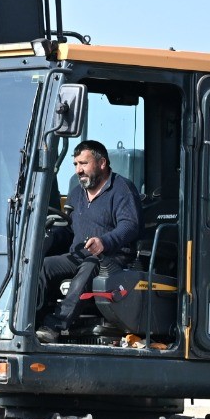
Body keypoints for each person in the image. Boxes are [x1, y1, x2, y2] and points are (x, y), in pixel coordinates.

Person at [41, 139, 140, 334]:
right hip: (78, 255)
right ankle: (33, 323)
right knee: (42, 266)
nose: (78, 170)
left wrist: (105, 242)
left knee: (89, 266)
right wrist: (48, 237)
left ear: (102, 163)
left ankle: (56, 326)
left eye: (84, 163)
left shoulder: (122, 189)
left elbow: (131, 225)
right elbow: (69, 231)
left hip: (112, 258)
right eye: (76, 164)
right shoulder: (76, 193)